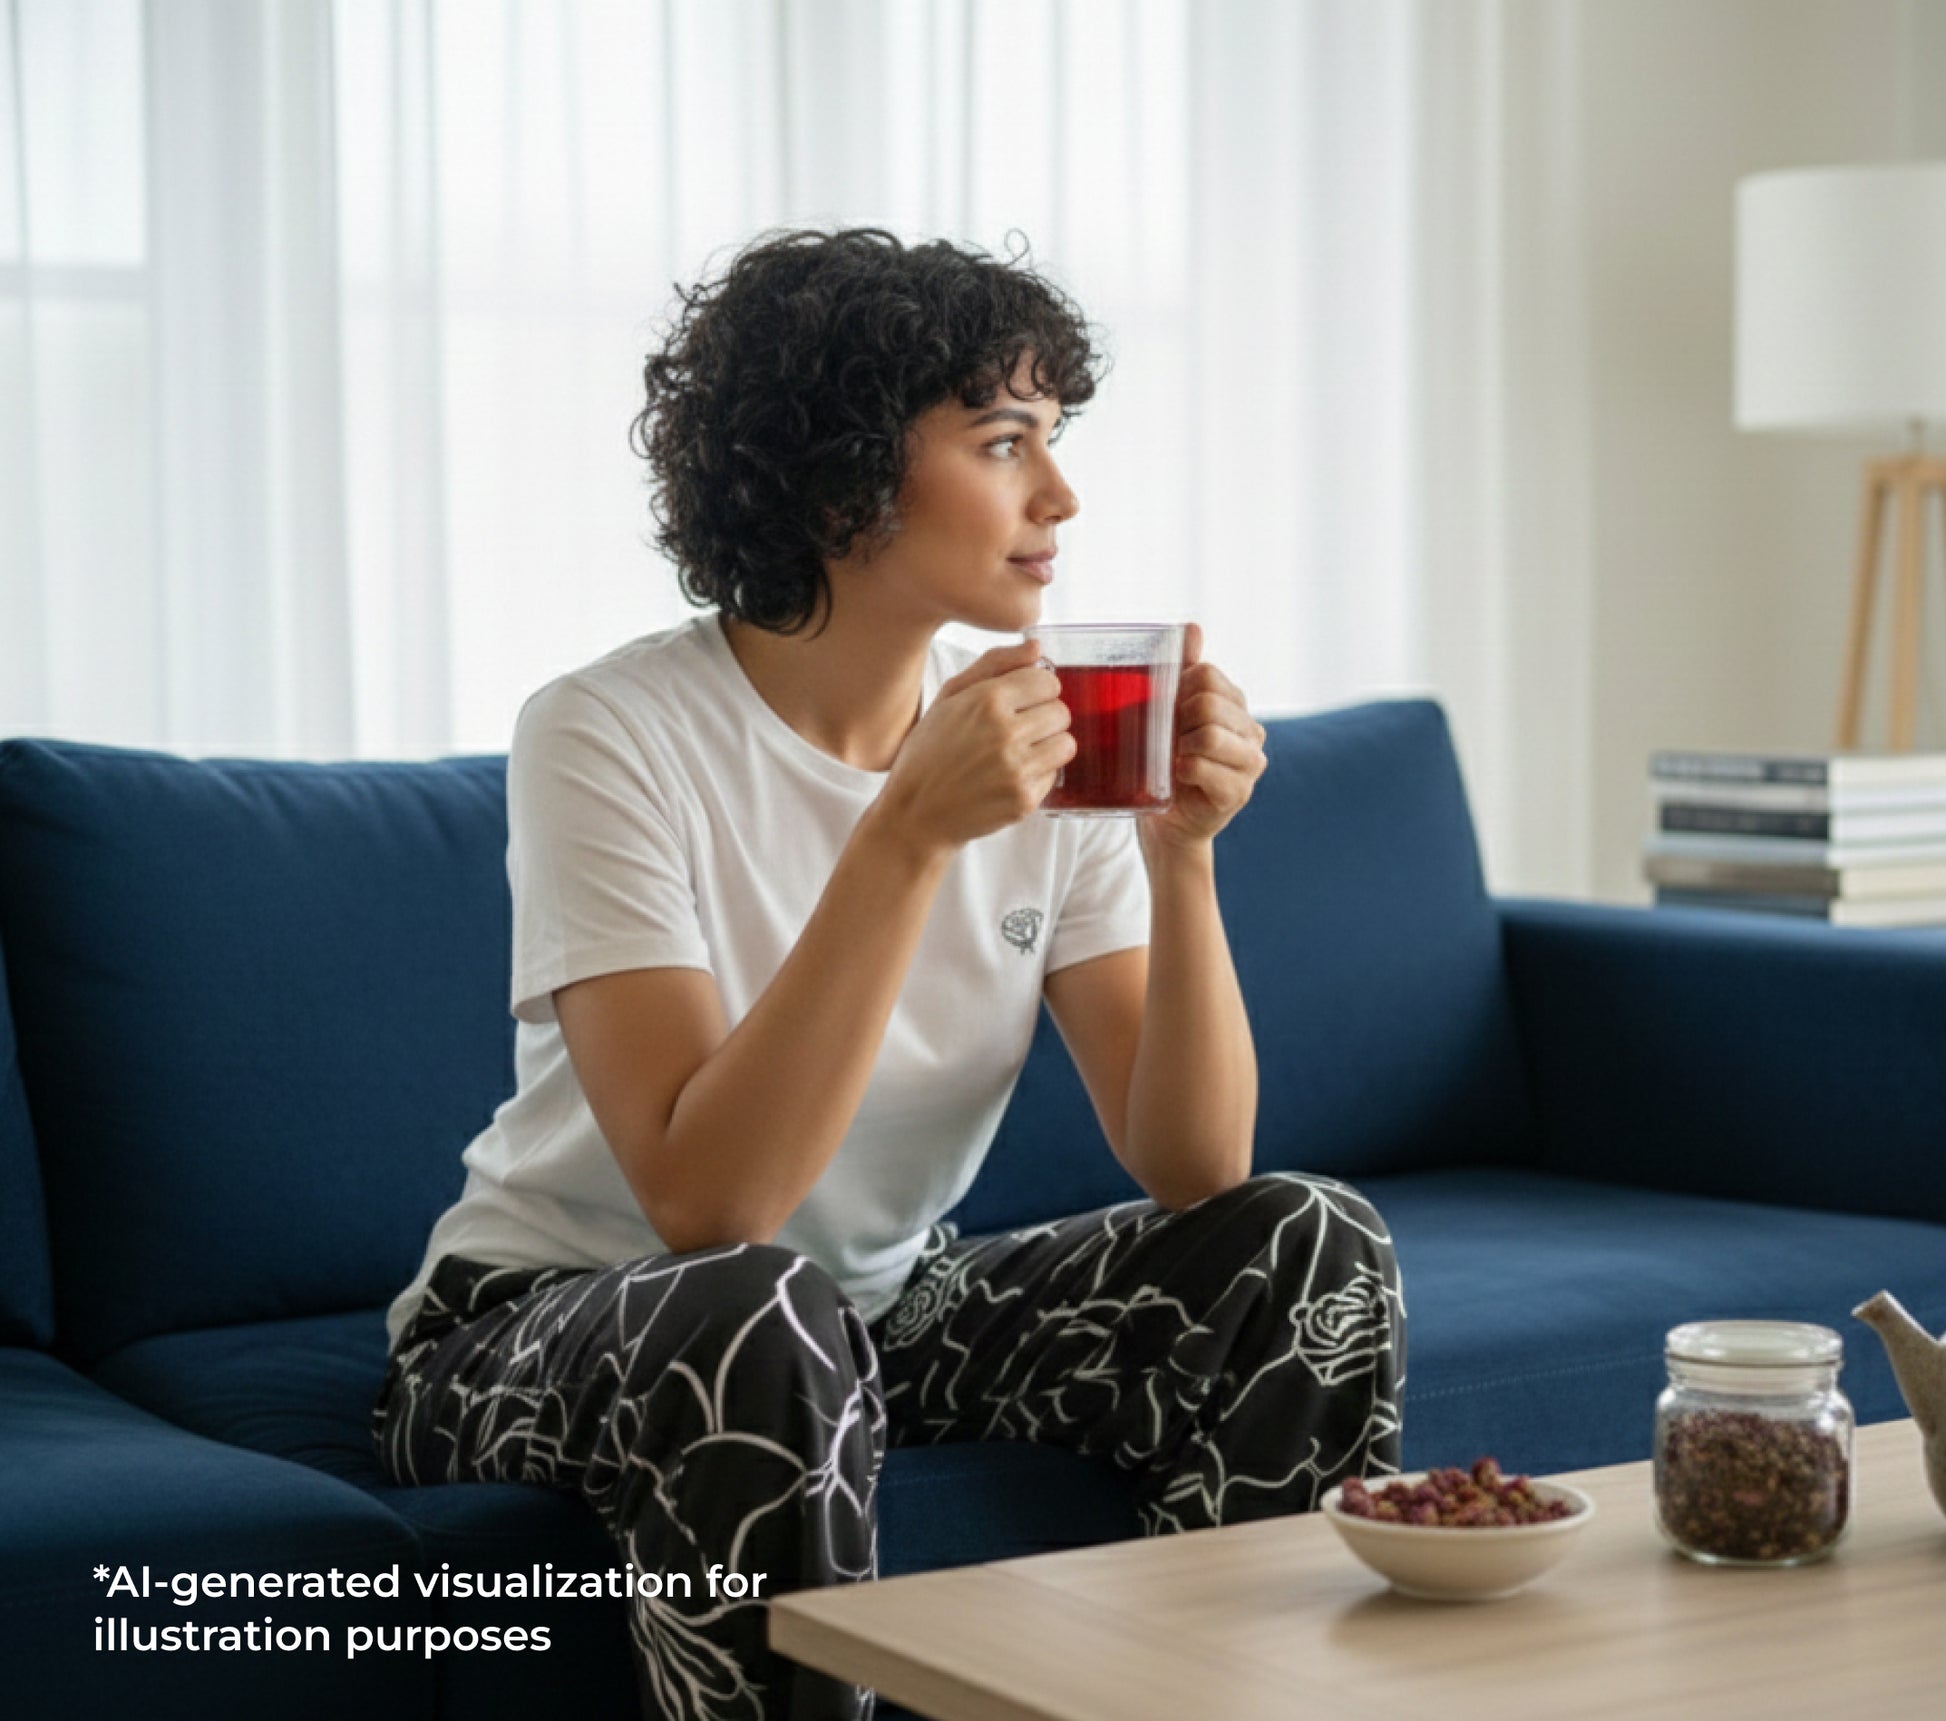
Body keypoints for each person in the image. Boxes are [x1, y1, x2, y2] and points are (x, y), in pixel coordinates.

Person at [373, 228, 1404, 1721]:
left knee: (1305, 1241)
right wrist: (909, 832)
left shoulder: (1050, 743)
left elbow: (1197, 1166)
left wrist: (1182, 856)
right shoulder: (608, 733)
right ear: (840, 480)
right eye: (1002, 442)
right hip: (551, 1323)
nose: (1060, 495)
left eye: (1053, 437)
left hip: (870, 1318)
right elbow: (709, 1210)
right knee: (756, 1307)